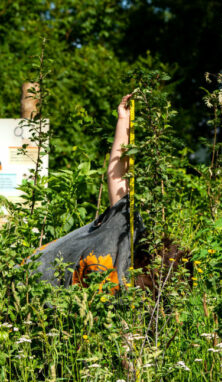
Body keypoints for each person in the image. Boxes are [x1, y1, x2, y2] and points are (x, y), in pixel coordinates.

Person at [30, 94, 145, 290]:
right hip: (44, 279)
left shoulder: (139, 242)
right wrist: (123, 120)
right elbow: (116, 177)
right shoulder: (123, 223)